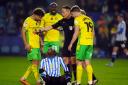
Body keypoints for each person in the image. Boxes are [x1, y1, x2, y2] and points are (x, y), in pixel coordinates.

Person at [39, 6, 77, 83]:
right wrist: (41, 29)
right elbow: (51, 26)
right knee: (65, 61)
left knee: (73, 62)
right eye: (62, 12)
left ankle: (76, 79)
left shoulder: (75, 20)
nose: (62, 13)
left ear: (68, 11)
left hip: (75, 44)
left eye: (63, 12)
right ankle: (68, 80)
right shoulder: (62, 21)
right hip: (66, 44)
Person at [68, 6, 96, 85]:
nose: (72, 16)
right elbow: (93, 33)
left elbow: (76, 33)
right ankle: (90, 82)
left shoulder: (77, 19)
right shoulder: (89, 19)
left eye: (72, 14)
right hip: (90, 43)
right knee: (87, 62)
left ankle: (78, 82)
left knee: (79, 62)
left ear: (75, 12)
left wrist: (71, 44)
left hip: (82, 43)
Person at [20, 8, 45, 85]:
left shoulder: (37, 22)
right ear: (35, 15)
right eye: (40, 17)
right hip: (31, 46)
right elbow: (23, 32)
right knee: (34, 64)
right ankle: (38, 81)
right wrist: (26, 44)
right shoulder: (28, 20)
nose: (40, 19)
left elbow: (38, 34)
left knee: (36, 64)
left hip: (37, 46)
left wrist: (41, 42)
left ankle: (23, 78)